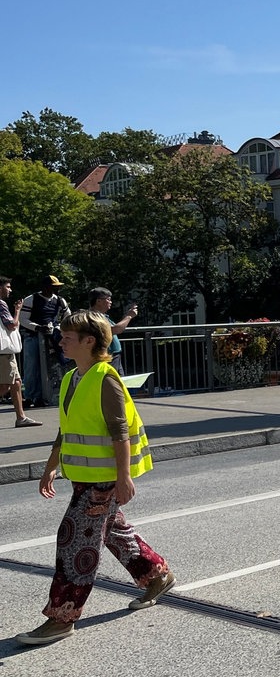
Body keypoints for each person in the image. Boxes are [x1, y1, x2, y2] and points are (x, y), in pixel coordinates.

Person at [15, 311, 173, 646]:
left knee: (74, 541)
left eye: (68, 337)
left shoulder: (105, 377)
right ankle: (156, 576)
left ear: (90, 341)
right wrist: (50, 465)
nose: (61, 341)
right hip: (86, 477)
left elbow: (119, 433)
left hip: (104, 479)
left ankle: (62, 616)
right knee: (113, 530)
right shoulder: (74, 376)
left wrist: (123, 478)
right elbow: (67, 428)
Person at [18, 275, 71, 408]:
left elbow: (68, 317)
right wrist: (37, 327)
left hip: (53, 337)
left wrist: (59, 327)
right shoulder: (31, 299)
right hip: (33, 337)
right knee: (31, 367)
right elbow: (23, 319)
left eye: (57, 287)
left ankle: (46, 395)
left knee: (53, 366)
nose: (55, 289)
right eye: (53, 287)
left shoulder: (60, 301)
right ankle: (31, 396)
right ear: (45, 287)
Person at [0, 277, 43, 427]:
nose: (10, 290)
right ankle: (21, 417)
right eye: (8, 287)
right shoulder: (1, 304)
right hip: (3, 352)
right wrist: (17, 311)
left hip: (4, 352)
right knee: (6, 384)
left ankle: (21, 417)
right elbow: (12, 324)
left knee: (16, 382)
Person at [89, 288, 138, 375]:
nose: (110, 302)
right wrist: (129, 316)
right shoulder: (93, 316)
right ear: (98, 301)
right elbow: (115, 329)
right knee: (112, 382)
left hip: (114, 356)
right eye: (108, 299)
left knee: (119, 382)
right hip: (107, 356)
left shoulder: (103, 316)